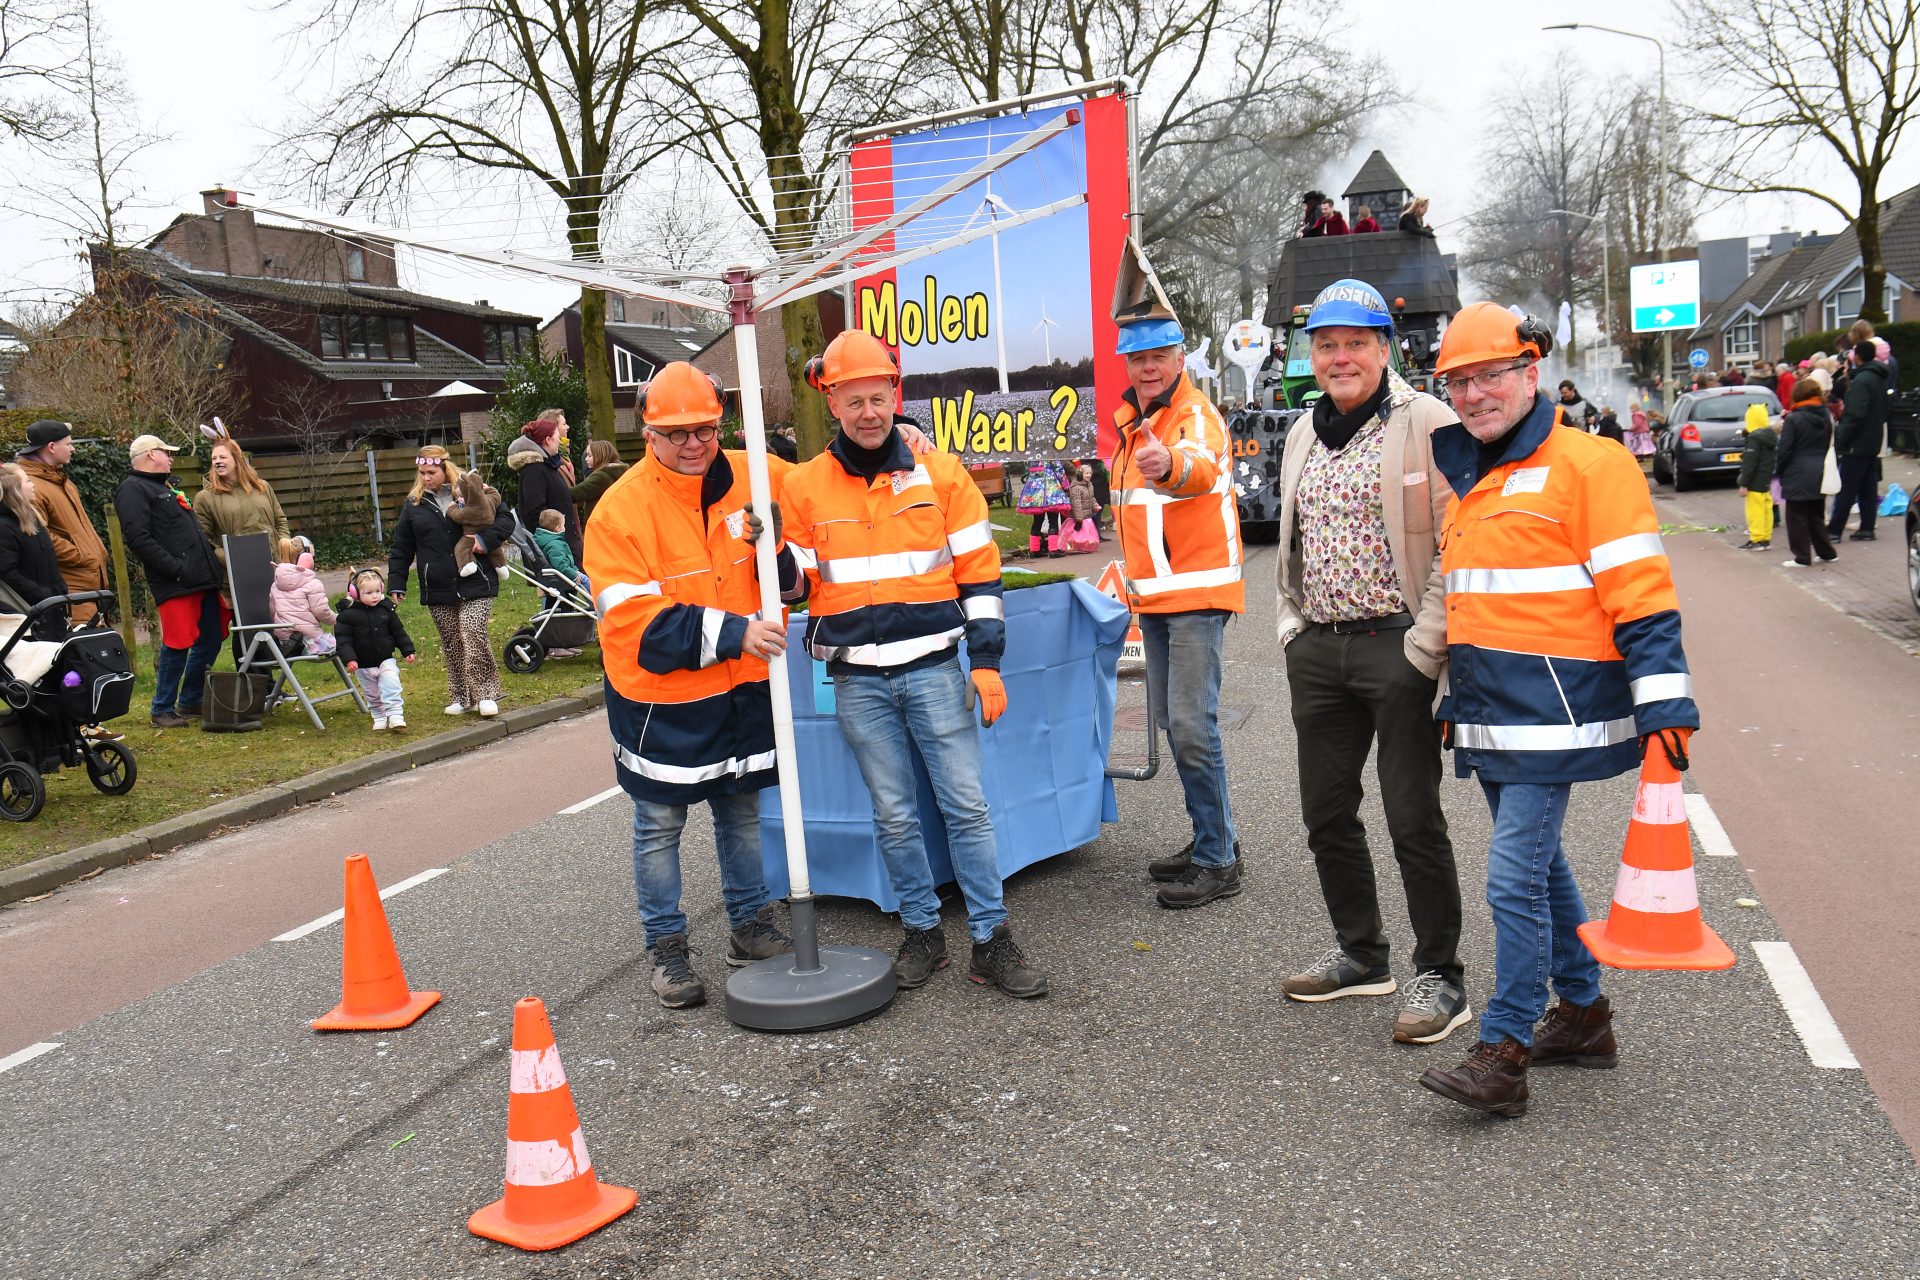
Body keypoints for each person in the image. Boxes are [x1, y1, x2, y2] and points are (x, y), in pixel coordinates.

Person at [1415, 302, 1699, 1118]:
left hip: (1557, 716)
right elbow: (1475, 603)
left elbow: (1642, 596)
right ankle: (1581, 1013)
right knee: (1541, 869)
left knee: (1513, 879)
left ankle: (1504, 1049)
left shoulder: (1591, 465)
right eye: (1458, 382)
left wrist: (1667, 705)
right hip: (1493, 713)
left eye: (1489, 376)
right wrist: (1455, 699)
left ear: (1530, 372)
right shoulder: (1472, 476)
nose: (1474, 395)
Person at [783, 329, 1047, 998]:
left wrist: (985, 661)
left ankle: (991, 938)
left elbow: (980, 575)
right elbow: (795, 584)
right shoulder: (803, 486)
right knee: (895, 815)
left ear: (895, 395)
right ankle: (923, 931)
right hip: (856, 679)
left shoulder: (943, 474)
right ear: (832, 403)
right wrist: (769, 553)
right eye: (854, 401)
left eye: (878, 398)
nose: (868, 413)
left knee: (966, 808)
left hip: (934, 669)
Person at [1271, 279, 1468, 1045]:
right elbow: (1290, 538)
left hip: (1399, 646)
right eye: (1327, 345)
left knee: (1412, 817)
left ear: (1385, 349)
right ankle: (1361, 954)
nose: (1341, 357)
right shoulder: (1302, 432)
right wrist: (1292, 625)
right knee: (1326, 812)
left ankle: (1440, 975)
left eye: (1356, 343)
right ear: (1312, 356)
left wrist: (1425, 645)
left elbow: (1458, 539)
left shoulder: (1427, 422)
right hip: (1320, 647)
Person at [582, 361, 800, 1009]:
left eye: (704, 429)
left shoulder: (757, 476)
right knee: (659, 824)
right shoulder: (619, 512)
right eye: (676, 433)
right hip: (661, 702)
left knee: (742, 812)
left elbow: (833, 484)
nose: (693, 444)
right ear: (648, 434)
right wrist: (735, 633)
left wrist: (909, 437)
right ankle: (668, 949)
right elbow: (635, 623)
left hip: (741, 691)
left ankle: (749, 924)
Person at [1108, 239, 1246, 909]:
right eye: (1138, 358)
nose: (1147, 367)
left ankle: (1219, 859)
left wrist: (1170, 467)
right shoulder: (1137, 422)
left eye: (1158, 356)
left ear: (1179, 358)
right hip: (1160, 601)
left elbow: (1200, 464)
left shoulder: (1191, 417)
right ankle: (1210, 838)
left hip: (1196, 596)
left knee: (1192, 727)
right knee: (1177, 724)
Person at [387, 445, 513, 718]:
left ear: (445, 469)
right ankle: (461, 696)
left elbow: (505, 519)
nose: (426, 478)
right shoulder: (414, 504)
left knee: (473, 632)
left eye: (431, 472)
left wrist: (485, 540)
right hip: (438, 583)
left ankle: (486, 694)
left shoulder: (469, 489)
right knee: (453, 642)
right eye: (422, 473)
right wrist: (397, 582)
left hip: (476, 577)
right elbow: (402, 547)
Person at [115, 435, 225, 728]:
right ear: (151, 454)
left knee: (212, 638)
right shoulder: (132, 489)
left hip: (201, 579)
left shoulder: (163, 487)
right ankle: (162, 708)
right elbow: (138, 539)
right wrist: (176, 569)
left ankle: (190, 699)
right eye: (167, 452)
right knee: (177, 643)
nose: (171, 458)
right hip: (177, 583)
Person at [16, 420, 108, 625]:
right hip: (70, 589)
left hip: (89, 587)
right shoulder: (31, 486)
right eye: (68, 444)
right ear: (51, 447)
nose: (73, 449)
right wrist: (81, 555)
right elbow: (37, 535)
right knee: (84, 643)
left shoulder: (61, 482)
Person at [194, 430, 290, 573]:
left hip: (274, 568)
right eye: (214, 458)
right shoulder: (205, 498)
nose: (217, 461)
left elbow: (280, 521)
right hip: (236, 575)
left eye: (223, 457)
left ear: (237, 459)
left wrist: (284, 548)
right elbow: (204, 541)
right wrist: (231, 560)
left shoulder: (262, 487)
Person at [333, 567, 415, 731]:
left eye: (378, 591)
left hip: (385, 659)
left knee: (392, 685)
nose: (375, 596)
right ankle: (379, 716)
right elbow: (343, 640)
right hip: (363, 664)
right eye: (369, 593)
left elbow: (398, 632)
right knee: (372, 694)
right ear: (355, 593)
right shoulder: (347, 616)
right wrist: (349, 659)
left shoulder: (386, 610)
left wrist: (407, 650)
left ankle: (396, 715)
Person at [1827, 340, 1890, 543]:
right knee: (1867, 487)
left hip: (1857, 442)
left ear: (1858, 357)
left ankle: (1834, 531)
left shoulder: (1861, 381)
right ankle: (1867, 527)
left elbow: (1856, 414)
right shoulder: (1878, 378)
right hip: (1872, 440)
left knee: (1847, 486)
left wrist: (1842, 436)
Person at [1776, 376, 1839, 567]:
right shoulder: (1826, 415)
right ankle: (1827, 553)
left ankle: (1802, 557)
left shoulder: (1793, 419)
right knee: (1816, 515)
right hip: (1821, 468)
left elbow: (1785, 450)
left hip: (1797, 470)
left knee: (1796, 516)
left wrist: (1779, 470)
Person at [0, 463, 67, 632]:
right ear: (14, 489)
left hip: (50, 608)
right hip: (30, 616)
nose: (33, 485)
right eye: (28, 481)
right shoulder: (4, 527)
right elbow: (7, 573)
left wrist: (59, 588)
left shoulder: (31, 520)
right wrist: (43, 594)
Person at [514, 410, 580, 560]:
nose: (560, 441)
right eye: (557, 437)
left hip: (564, 547)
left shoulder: (548, 466)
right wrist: (556, 547)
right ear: (548, 440)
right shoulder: (534, 470)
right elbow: (535, 514)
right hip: (556, 553)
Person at [269, 535, 337, 655]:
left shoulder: (275, 584)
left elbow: (273, 612)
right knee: (342, 643)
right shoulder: (313, 583)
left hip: (284, 640)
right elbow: (321, 611)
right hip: (311, 640)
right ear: (306, 558)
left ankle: (292, 643)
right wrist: (335, 619)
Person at [448, 469, 505, 578]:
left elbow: (457, 515)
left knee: (461, 549)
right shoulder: (489, 500)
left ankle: (467, 565)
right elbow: (496, 495)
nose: (458, 500)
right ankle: (501, 566)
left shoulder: (470, 509)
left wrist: (452, 507)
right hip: (488, 531)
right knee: (495, 550)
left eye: (461, 497)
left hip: (471, 534)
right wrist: (488, 489)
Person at [1737, 403, 1778, 552]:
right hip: (1765, 478)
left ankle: (1756, 539)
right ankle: (1765, 538)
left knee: (1755, 510)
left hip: (1755, 480)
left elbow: (1750, 463)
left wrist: (1744, 483)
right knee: (1766, 509)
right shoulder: (1771, 435)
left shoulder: (1754, 438)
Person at [1016, 459, 1070, 557]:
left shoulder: (1031, 455)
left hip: (1034, 489)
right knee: (1053, 520)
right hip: (1050, 488)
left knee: (1037, 521)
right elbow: (1059, 470)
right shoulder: (1050, 454)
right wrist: (1066, 486)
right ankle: (1053, 550)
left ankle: (1034, 550)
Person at [570, 438, 630, 521]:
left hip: (599, 522)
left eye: (590, 455)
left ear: (600, 456)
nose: (586, 459)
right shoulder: (617, 472)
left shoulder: (600, 477)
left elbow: (575, 493)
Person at [533, 509, 589, 590]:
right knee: (584, 579)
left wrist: (574, 570)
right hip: (561, 576)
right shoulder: (555, 544)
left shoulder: (543, 538)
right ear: (558, 528)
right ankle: (596, 597)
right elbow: (560, 565)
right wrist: (574, 575)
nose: (564, 528)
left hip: (561, 573)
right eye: (563, 525)